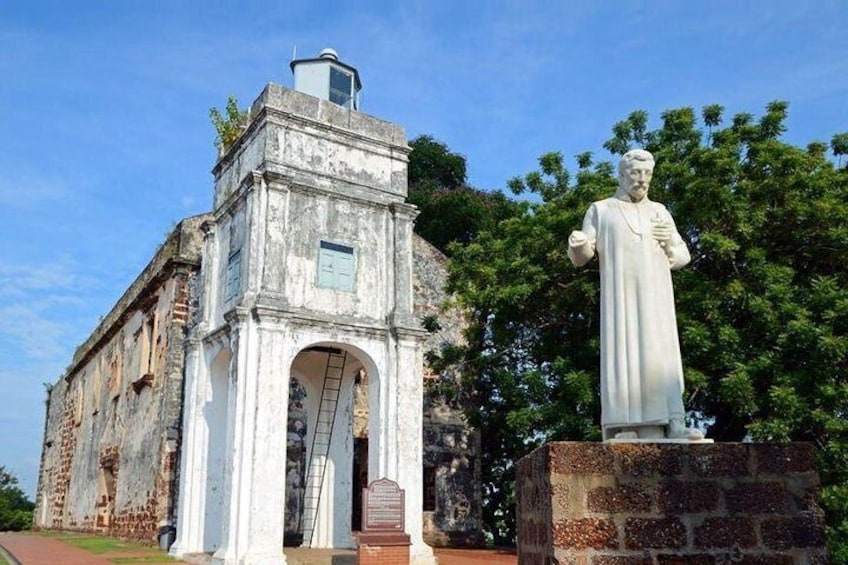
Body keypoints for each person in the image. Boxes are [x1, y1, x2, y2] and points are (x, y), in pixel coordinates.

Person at [568, 149, 703, 441]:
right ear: (621, 174)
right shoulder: (601, 209)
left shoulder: (660, 211)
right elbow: (582, 256)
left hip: (657, 297)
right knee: (625, 352)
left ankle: (674, 423)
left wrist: (669, 244)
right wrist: (578, 244)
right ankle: (623, 425)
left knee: (661, 354)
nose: (641, 180)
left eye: (647, 174)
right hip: (622, 299)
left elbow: (683, 256)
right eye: (635, 173)